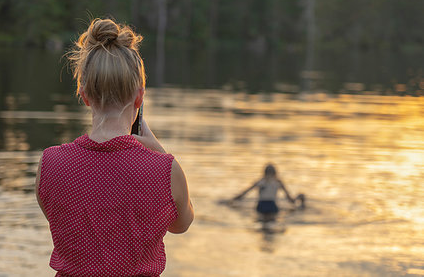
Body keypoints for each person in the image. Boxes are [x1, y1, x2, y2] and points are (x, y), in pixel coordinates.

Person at [35, 18, 194, 276]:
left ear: (84, 94)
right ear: (140, 96)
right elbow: (181, 223)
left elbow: (65, 223)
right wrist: (160, 153)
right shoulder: (165, 170)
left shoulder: (50, 163)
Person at [233, 164, 304, 221]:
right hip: (273, 207)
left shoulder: (261, 181)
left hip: (260, 207)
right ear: (275, 173)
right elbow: (291, 201)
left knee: (261, 221)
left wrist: (231, 201)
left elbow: (244, 194)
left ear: (264, 172)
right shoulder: (278, 182)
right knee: (273, 220)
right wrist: (299, 198)